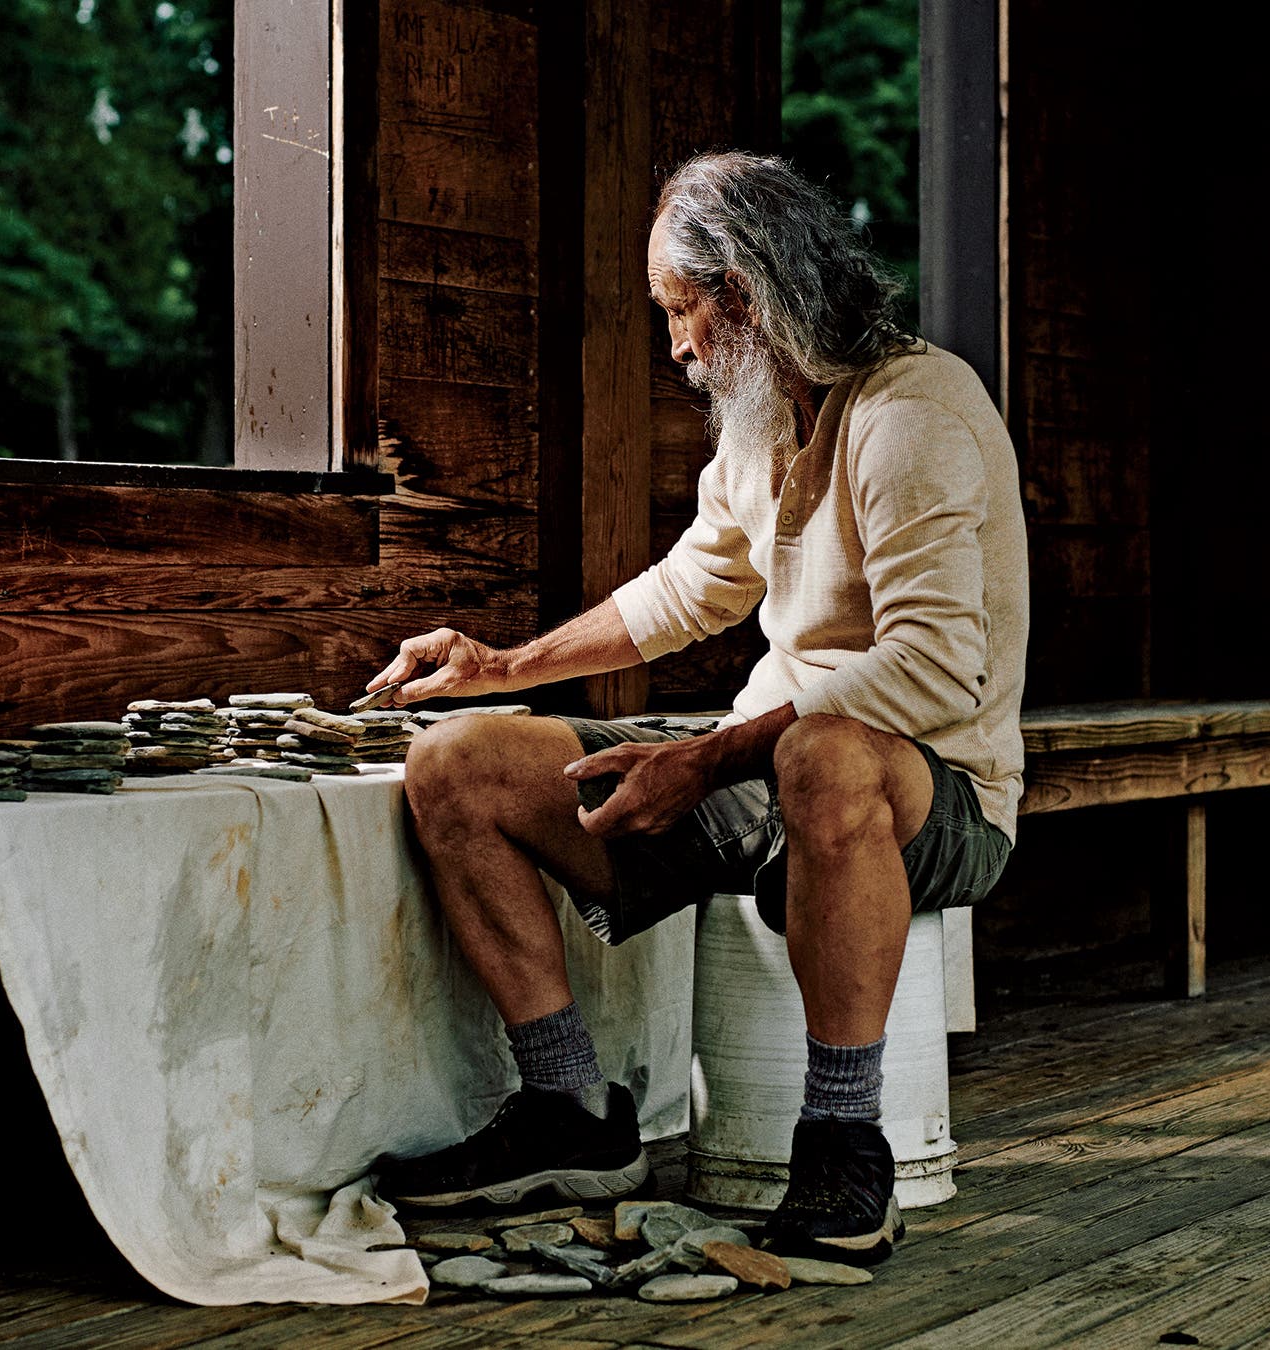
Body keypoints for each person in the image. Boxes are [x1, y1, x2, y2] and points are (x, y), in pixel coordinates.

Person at [366, 151, 1027, 1266]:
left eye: (682, 313)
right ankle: (570, 1110)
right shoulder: (767, 418)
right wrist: (500, 666)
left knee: (826, 755)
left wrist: (710, 759)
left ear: (751, 296)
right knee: (455, 764)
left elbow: (929, 671)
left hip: (937, 792)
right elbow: (691, 588)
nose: (675, 345)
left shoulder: (916, 416)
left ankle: (841, 1143)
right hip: (755, 773)